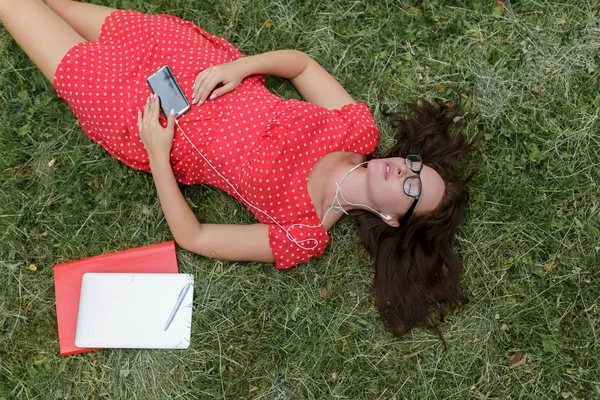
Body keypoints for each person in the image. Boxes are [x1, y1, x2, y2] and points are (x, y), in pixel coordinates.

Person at [1, 0, 476, 337]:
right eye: (416, 164)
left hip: (145, 116)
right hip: (189, 60)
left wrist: (157, 152)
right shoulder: (357, 132)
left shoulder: (304, 233)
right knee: (58, 6)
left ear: (394, 219)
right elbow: (302, 67)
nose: (404, 168)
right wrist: (244, 67)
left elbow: (197, 237)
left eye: (413, 186)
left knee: (18, 8)